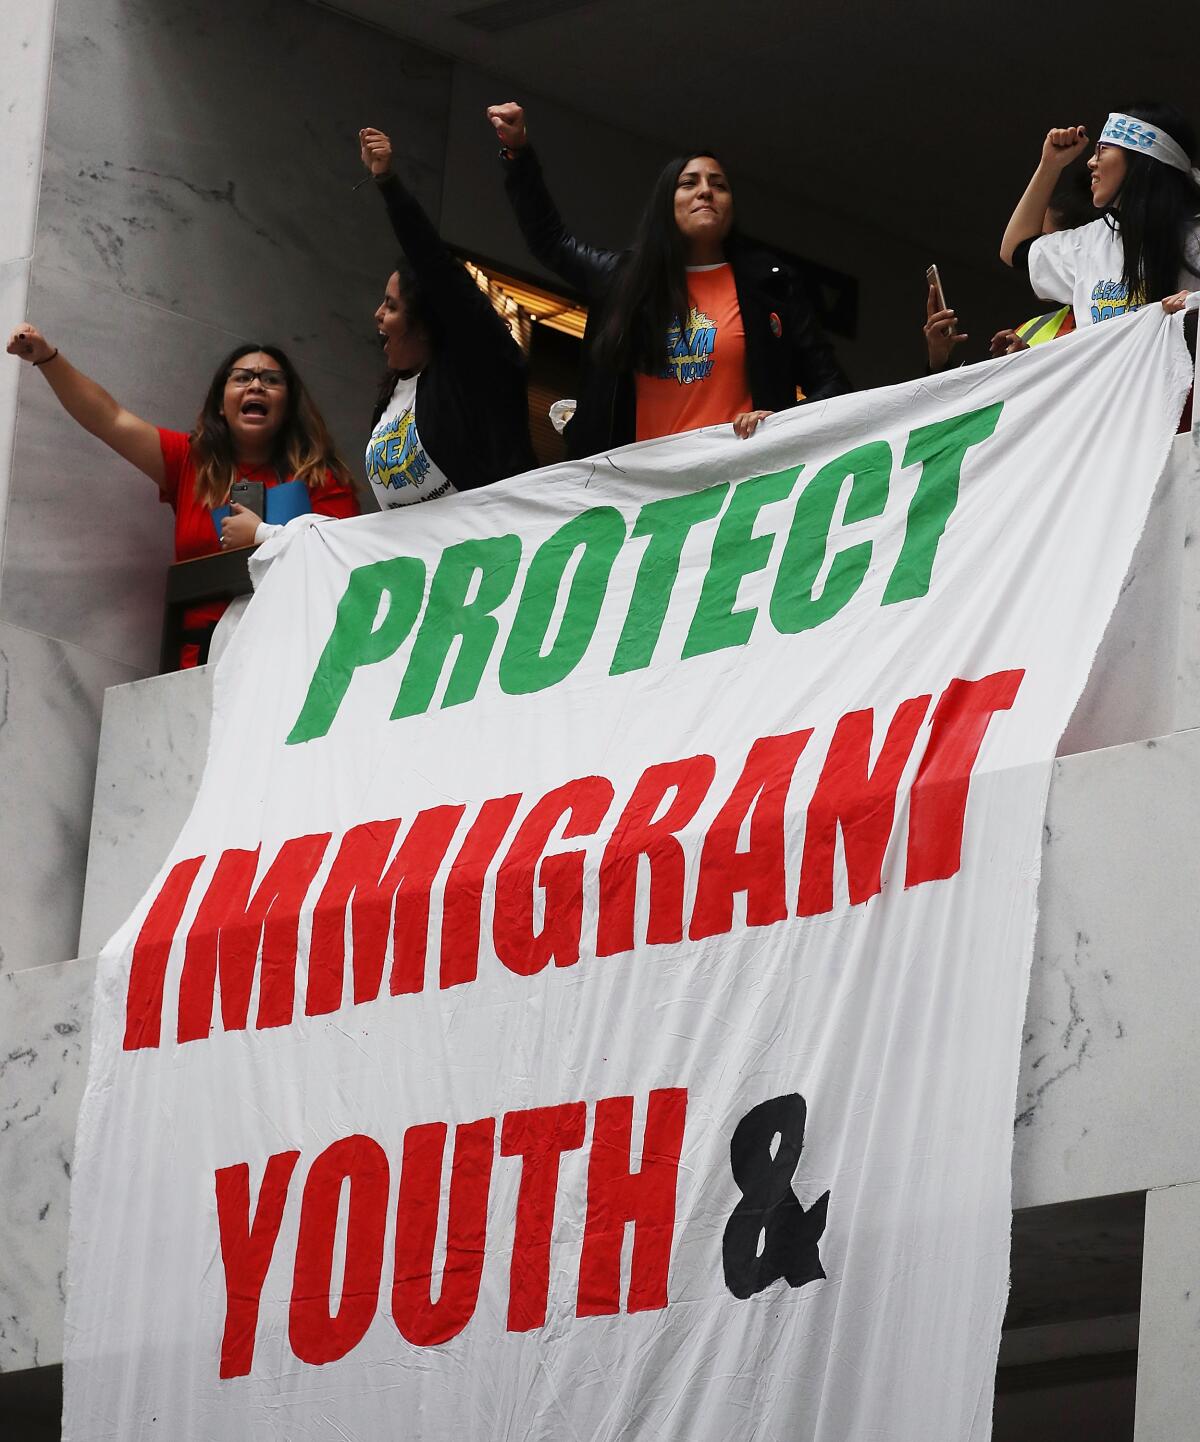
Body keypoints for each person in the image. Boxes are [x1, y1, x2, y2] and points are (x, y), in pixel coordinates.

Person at [485, 101, 849, 459]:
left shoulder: (771, 287)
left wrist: (780, 424)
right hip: (641, 498)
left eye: (719, 185)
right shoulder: (624, 280)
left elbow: (832, 384)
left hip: (737, 488)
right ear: (666, 204)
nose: (706, 191)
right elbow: (551, 242)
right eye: (689, 183)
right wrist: (518, 154)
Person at [5, 328, 359, 666]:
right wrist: (47, 358)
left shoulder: (322, 478)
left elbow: (342, 565)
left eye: (271, 380)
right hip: (196, 662)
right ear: (221, 403)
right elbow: (108, 418)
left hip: (290, 657)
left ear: (288, 405)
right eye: (242, 377)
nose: (256, 385)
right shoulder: (192, 463)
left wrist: (262, 534)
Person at [357, 127, 536, 510]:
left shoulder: (476, 372)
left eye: (391, 305)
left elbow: (438, 269)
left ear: (424, 322)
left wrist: (388, 183)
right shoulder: (391, 398)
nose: (378, 314)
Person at [1000, 103, 1200, 329]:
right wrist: (1050, 165)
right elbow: (1015, 250)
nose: (1090, 162)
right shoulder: (1090, 242)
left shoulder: (1195, 238)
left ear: (1142, 159)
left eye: (1102, 150)